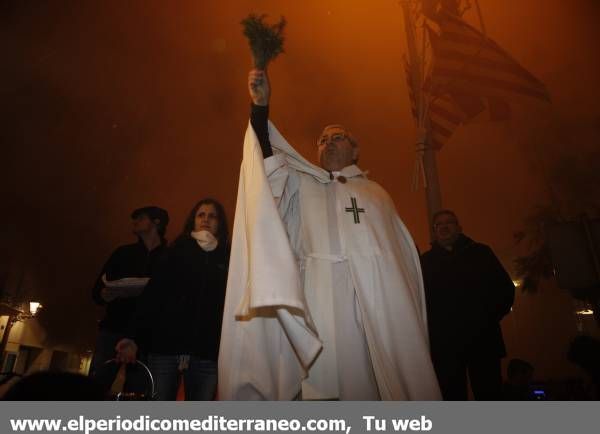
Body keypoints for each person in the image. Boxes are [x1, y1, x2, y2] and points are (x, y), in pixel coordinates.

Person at [218, 69, 441, 400]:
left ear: (355, 150)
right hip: (315, 293)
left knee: (364, 384)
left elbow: (397, 261)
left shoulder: (375, 193)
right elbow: (265, 162)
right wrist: (260, 107)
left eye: (337, 137)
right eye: (322, 139)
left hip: (367, 302)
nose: (328, 143)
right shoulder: (302, 183)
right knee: (318, 390)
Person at [115, 199, 229, 401]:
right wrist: (132, 336)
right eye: (201, 214)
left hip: (207, 352)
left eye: (212, 215)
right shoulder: (176, 252)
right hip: (166, 348)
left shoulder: (228, 258)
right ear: (192, 220)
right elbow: (153, 295)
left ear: (220, 223)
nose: (206, 219)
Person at [420, 209, 515, 400]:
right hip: (446, 345)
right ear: (434, 230)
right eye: (439, 224)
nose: (444, 227)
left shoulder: (480, 253)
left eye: (449, 223)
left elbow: (504, 289)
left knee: (489, 393)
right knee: (451, 396)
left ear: (459, 228)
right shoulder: (425, 262)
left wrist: (489, 317)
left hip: (483, 340)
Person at [90, 206, 169, 380]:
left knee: (137, 393)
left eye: (141, 217)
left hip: (147, 335)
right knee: (96, 388)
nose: (135, 222)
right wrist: (107, 294)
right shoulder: (122, 253)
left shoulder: (169, 258)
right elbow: (97, 292)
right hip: (113, 329)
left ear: (157, 222)